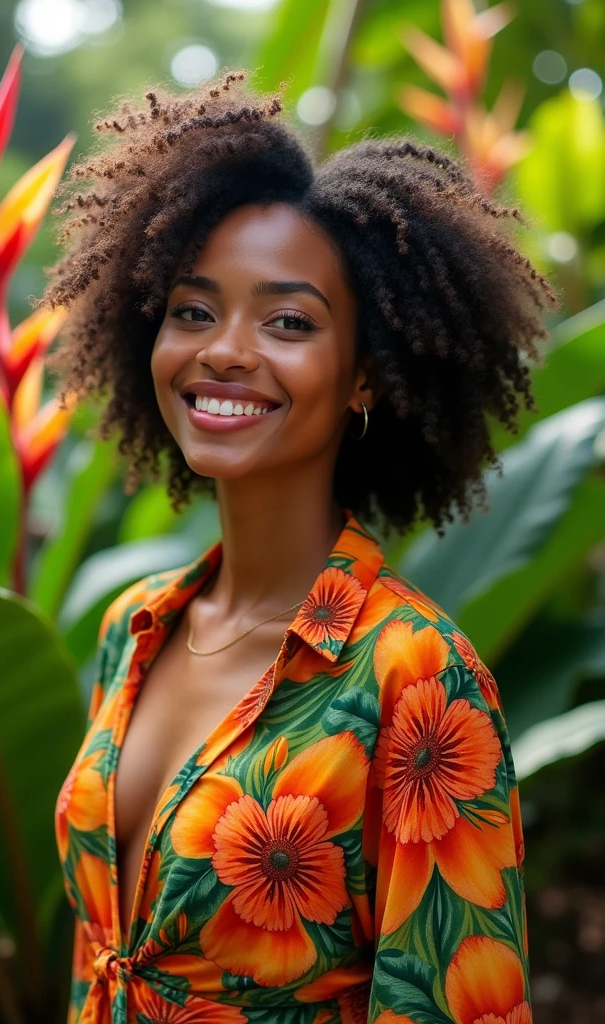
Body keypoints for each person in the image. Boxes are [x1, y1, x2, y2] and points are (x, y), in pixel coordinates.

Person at [46, 70, 554, 1024]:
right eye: (194, 310)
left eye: (287, 322)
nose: (226, 350)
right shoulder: (138, 627)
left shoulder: (414, 679)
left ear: (364, 376)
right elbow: (99, 963)